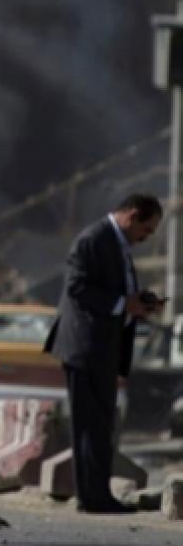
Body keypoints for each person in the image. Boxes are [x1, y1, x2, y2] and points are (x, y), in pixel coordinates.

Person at [44, 193, 163, 513]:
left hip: (103, 347)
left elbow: (116, 291)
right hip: (85, 346)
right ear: (132, 216)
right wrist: (125, 304)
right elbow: (77, 287)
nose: (145, 238)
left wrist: (140, 303)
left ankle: (99, 495)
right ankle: (91, 498)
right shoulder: (93, 240)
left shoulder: (117, 245)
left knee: (101, 425)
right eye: (146, 230)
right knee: (89, 424)